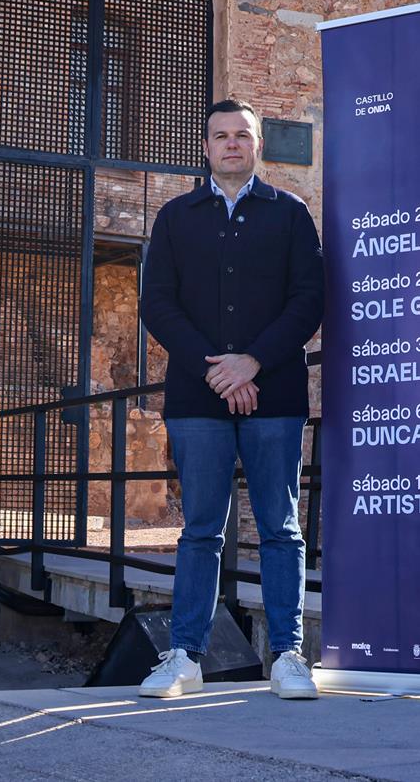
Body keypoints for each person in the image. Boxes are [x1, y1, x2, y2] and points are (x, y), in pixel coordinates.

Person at [137, 98, 326, 700]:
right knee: (200, 529)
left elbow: (309, 299)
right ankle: (185, 657)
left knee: (281, 528)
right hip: (198, 398)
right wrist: (217, 370)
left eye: (242, 135)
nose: (232, 144)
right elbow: (156, 303)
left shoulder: (290, 213)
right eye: (220, 136)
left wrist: (253, 362)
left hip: (276, 395)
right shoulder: (176, 217)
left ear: (258, 145)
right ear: (206, 147)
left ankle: (288, 656)